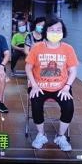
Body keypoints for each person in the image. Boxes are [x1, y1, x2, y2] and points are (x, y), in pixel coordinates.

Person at [25, 17, 78, 152]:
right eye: (52, 29)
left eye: (58, 29)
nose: (55, 32)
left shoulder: (68, 49)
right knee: (36, 104)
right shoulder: (37, 47)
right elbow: (28, 67)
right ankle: (41, 135)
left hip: (61, 87)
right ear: (46, 31)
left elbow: (73, 71)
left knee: (69, 107)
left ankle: (60, 136)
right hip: (39, 86)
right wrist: (34, 85)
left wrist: (67, 87)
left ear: (63, 32)